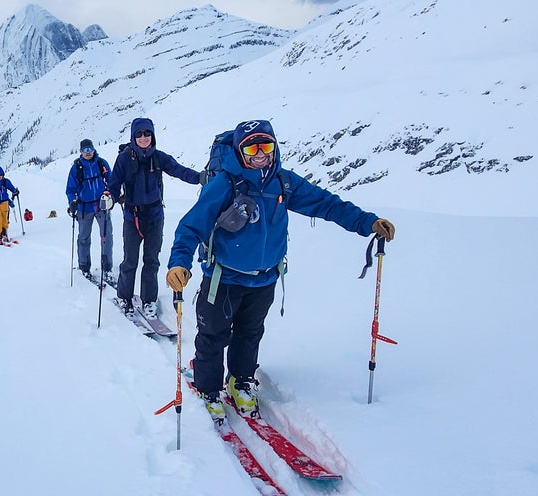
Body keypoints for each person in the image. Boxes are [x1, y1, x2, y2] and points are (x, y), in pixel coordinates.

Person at [165, 120, 395, 418]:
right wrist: (178, 263)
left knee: (250, 333)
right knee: (213, 335)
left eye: (266, 146)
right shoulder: (224, 184)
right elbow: (191, 226)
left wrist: (367, 222)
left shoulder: (283, 182)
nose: (260, 153)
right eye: (252, 147)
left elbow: (327, 204)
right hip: (222, 277)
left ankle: (241, 381)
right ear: (239, 150)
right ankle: (209, 388)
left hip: (265, 278)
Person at [107, 118, 200, 317]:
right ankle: (125, 297)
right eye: (139, 134)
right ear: (133, 136)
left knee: (151, 261)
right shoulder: (124, 159)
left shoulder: (159, 158)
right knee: (130, 260)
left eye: (147, 133)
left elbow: (179, 171)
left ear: (153, 135)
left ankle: (149, 300)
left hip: (155, 216)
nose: (143, 137)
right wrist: (110, 198)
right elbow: (114, 184)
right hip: (132, 217)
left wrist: (201, 178)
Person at [66, 138, 114, 281]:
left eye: (89, 149)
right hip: (84, 207)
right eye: (85, 150)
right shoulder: (77, 167)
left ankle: (107, 267)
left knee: (107, 237)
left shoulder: (102, 163)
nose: (88, 152)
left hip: (102, 206)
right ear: (80, 151)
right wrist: (72, 202)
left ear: (93, 149)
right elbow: (70, 189)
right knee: (84, 238)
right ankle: (84, 267)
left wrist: (110, 194)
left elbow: (111, 181)